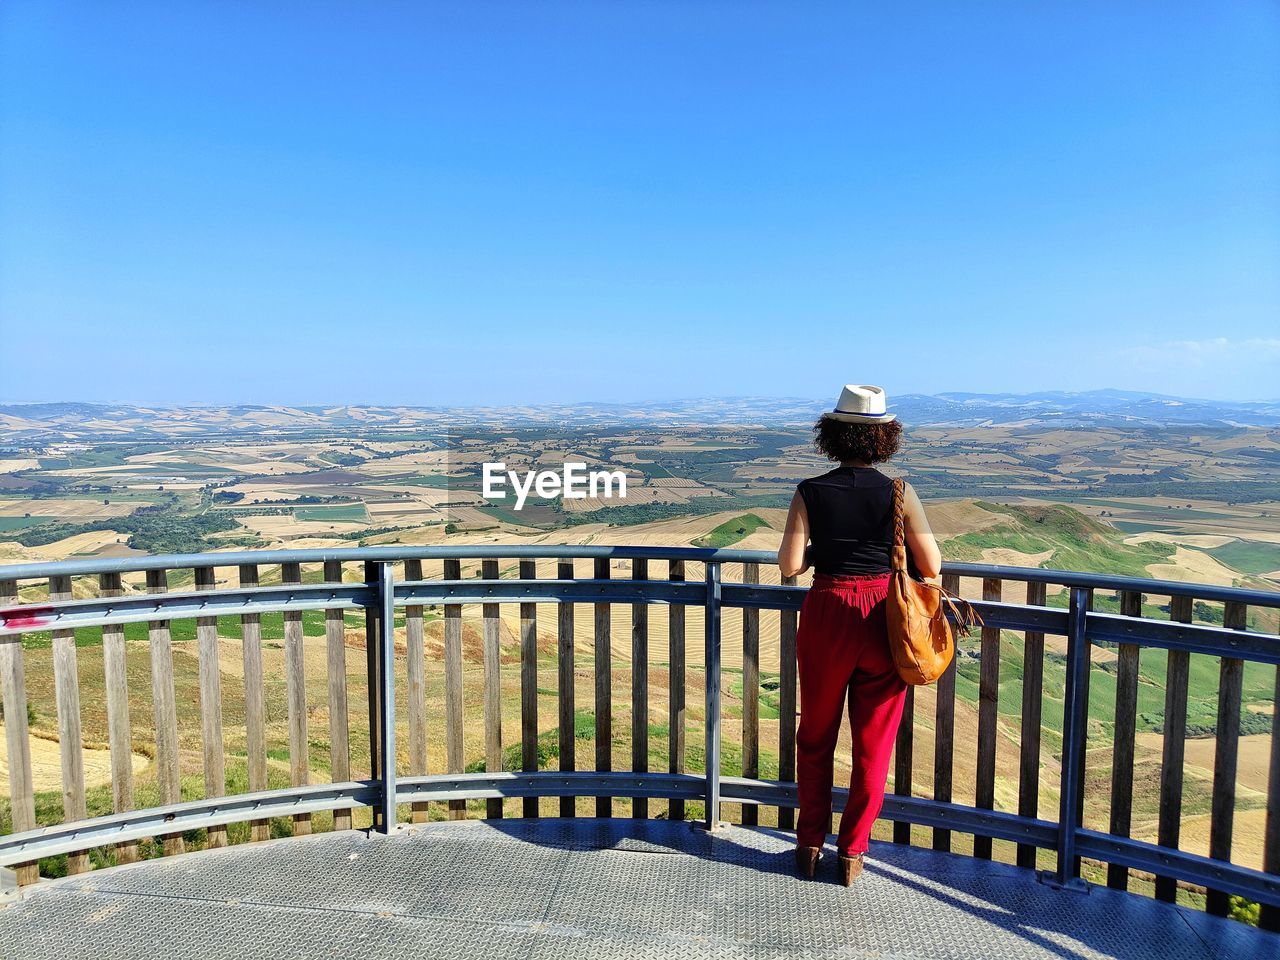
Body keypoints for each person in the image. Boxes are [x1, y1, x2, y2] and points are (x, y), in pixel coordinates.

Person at [777, 384, 941, 886]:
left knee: (815, 735)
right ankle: (852, 853)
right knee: (873, 743)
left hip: (827, 611)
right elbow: (932, 564)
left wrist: (822, 551)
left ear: (831, 436)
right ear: (885, 439)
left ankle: (808, 845)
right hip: (883, 619)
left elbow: (789, 566)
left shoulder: (810, 491)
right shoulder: (900, 492)